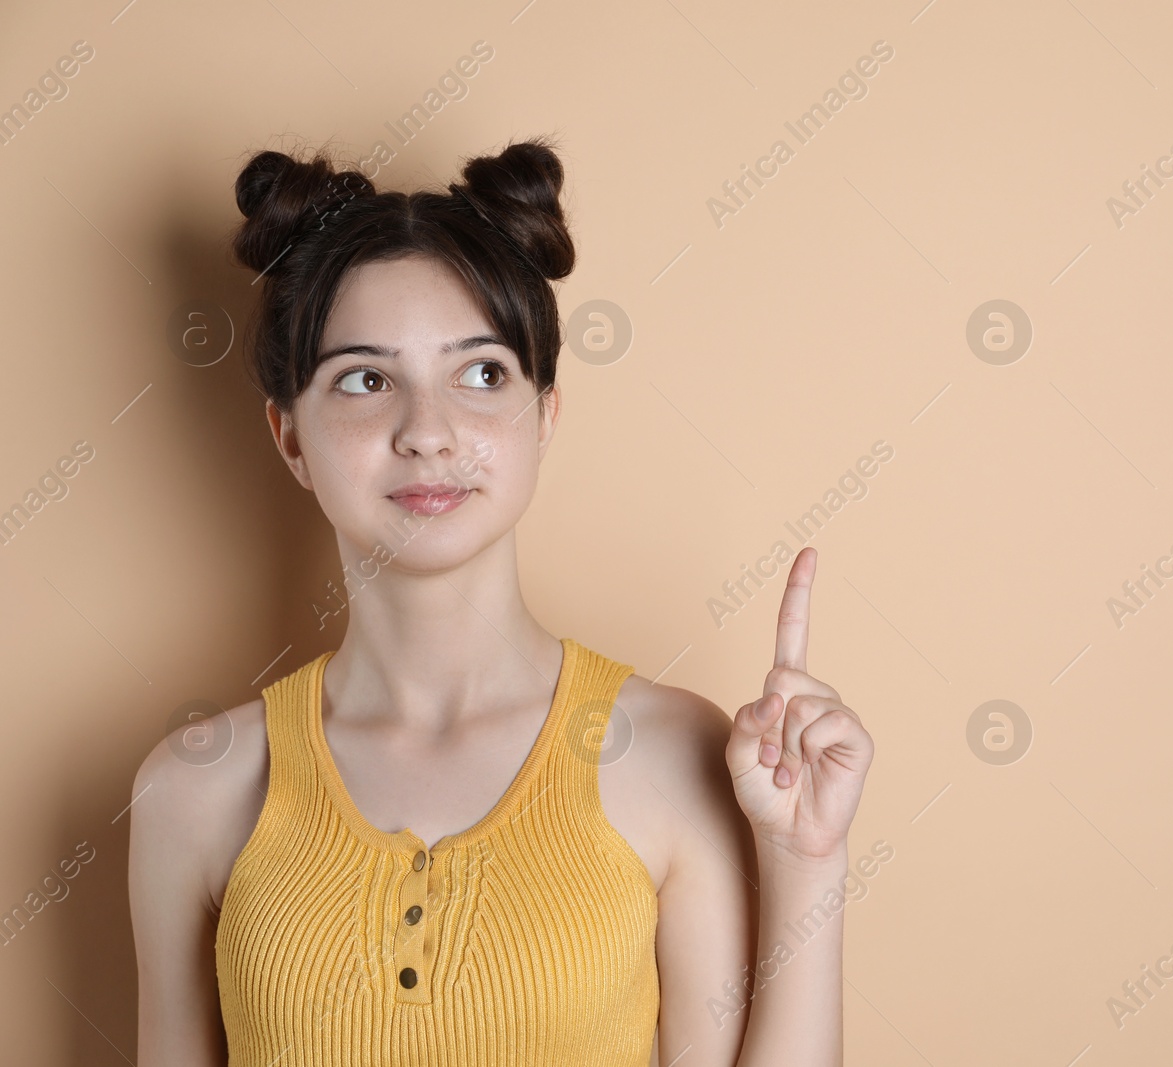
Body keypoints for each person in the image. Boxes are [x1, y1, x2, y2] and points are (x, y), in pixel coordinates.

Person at [128, 136, 874, 1066]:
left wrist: (807, 860)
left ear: (545, 414)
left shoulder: (677, 753)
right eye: (365, 379)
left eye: (481, 374)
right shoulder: (193, 787)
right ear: (289, 438)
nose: (428, 433)